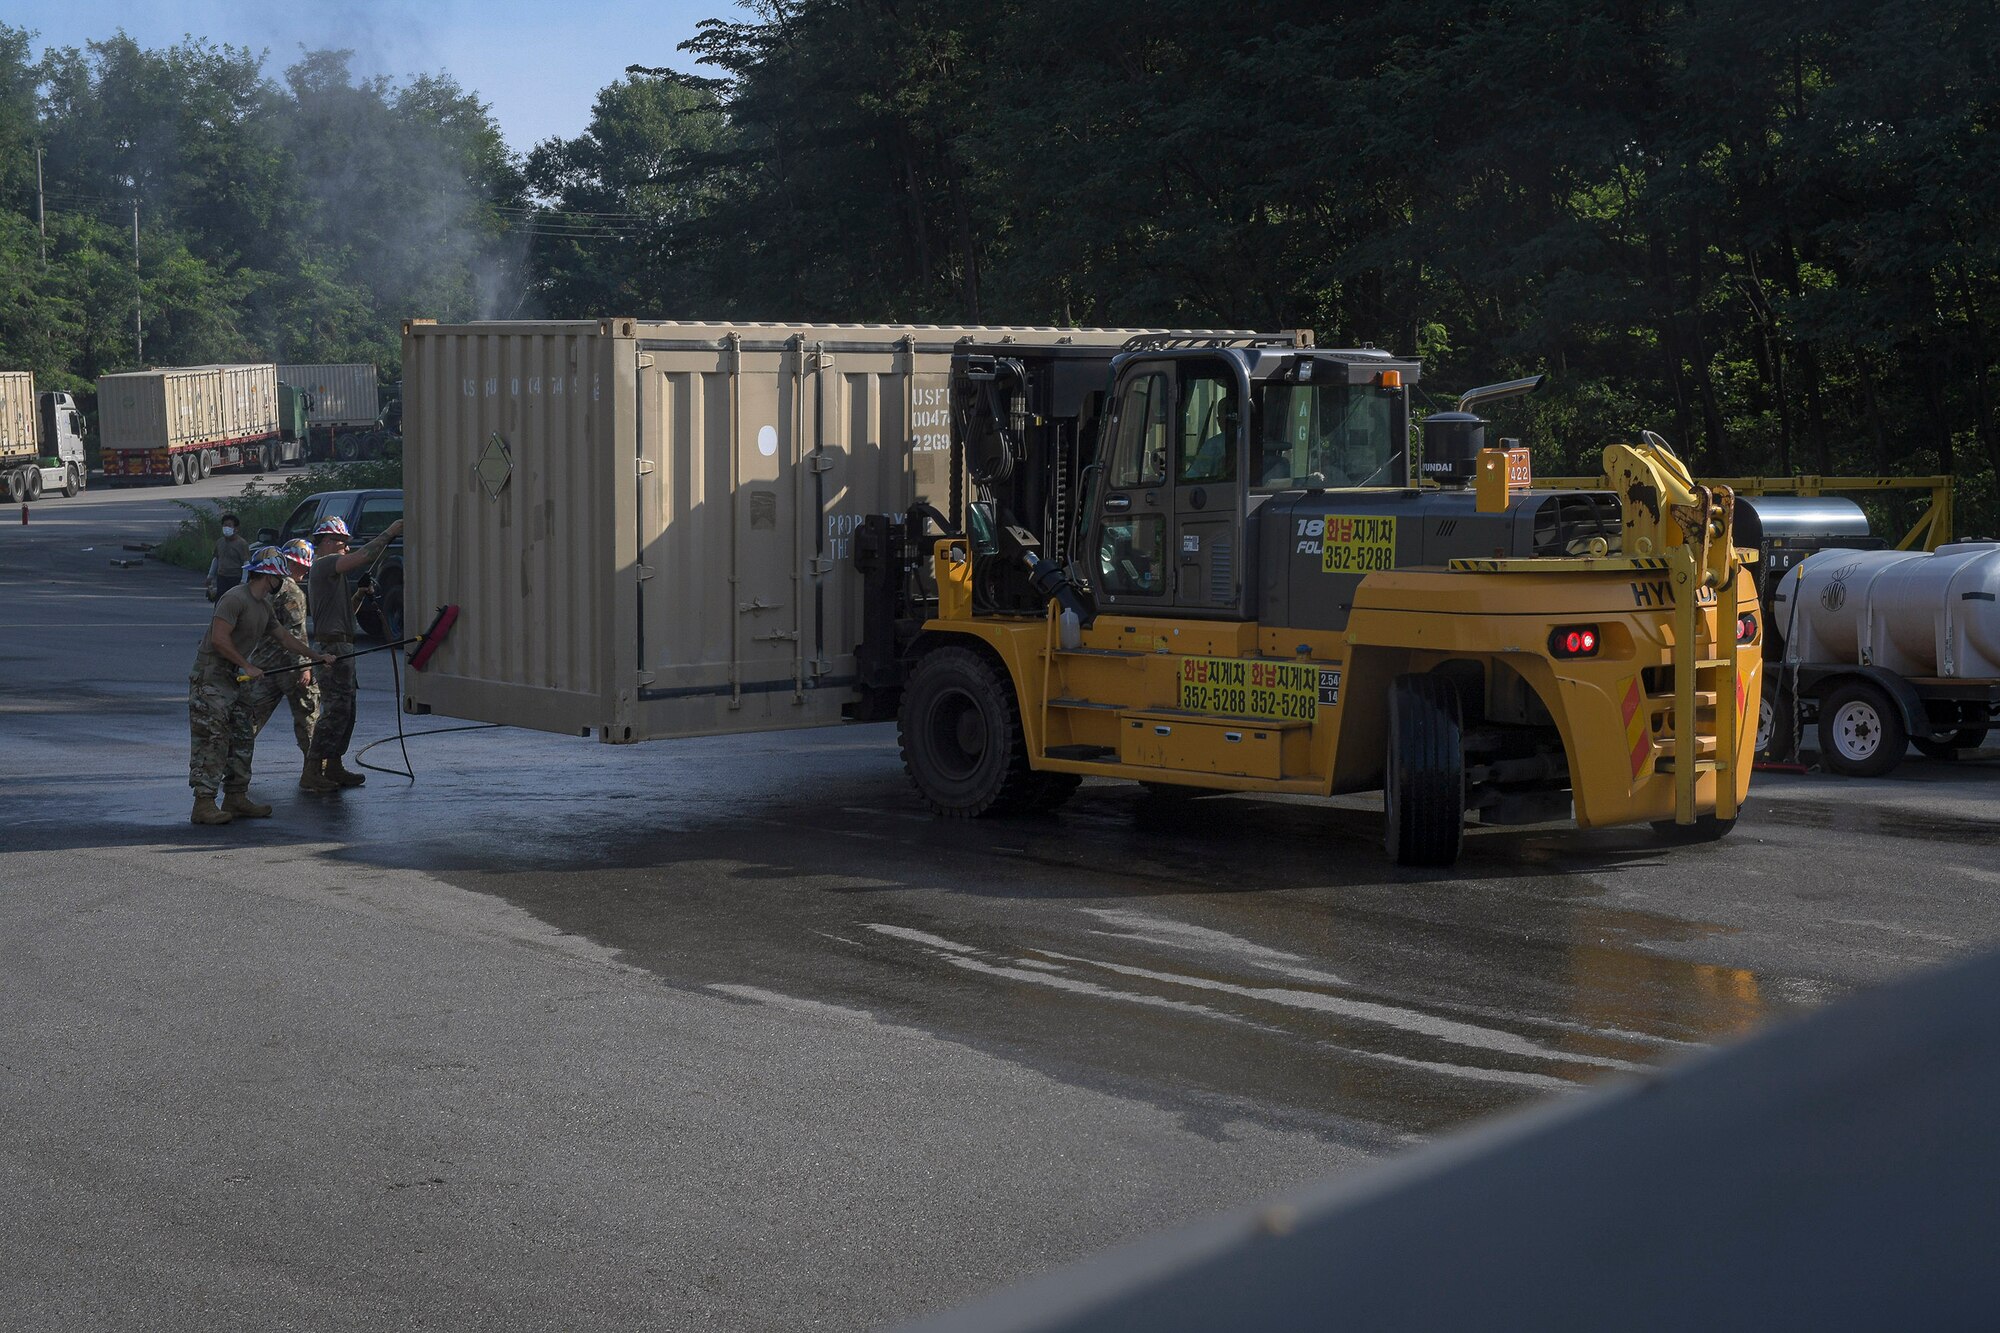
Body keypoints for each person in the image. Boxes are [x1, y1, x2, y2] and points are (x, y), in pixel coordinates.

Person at [188, 550, 333, 825]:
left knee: (243, 734)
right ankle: (203, 803)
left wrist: (316, 658)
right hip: (211, 677)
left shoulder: (263, 606)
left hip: (233, 678)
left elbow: (285, 638)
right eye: (278, 577)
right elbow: (219, 639)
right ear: (267, 576)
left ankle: (236, 796)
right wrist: (247, 665)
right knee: (213, 737)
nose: (282, 581)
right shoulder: (234, 598)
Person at [306, 515, 404, 789]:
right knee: (334, 712)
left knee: (346, 712)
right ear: (326, 541)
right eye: (341, 542)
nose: (346, 548)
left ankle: (334, 765)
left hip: (341, 646)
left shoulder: (332, 575)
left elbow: (345, 615)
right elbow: (363, 556)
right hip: (332, 648)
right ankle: (313, 770)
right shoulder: (324, 564)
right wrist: (389, 532)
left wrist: (360, 594)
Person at [239, 539, 327, 793]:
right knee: (308, 719)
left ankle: (233, 773)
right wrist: (305, 667)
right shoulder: (292, 592)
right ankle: (313, 773)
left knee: (250, 721)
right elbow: (295, 631)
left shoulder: (267, 589)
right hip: (288, 668)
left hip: (263, 665)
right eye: (302, 567)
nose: (303, 572)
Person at [210, 514, 250, 601]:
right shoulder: (220, 542)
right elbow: (216, 559)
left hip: (235, 578)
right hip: (222, 577)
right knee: (220, 601)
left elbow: (246, 563)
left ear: (236, 529)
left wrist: (243, 581)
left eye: (229, 525)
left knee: (234, 602)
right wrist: (210, 576)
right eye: (225, 525)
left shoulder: (242, 544)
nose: (226, 528)